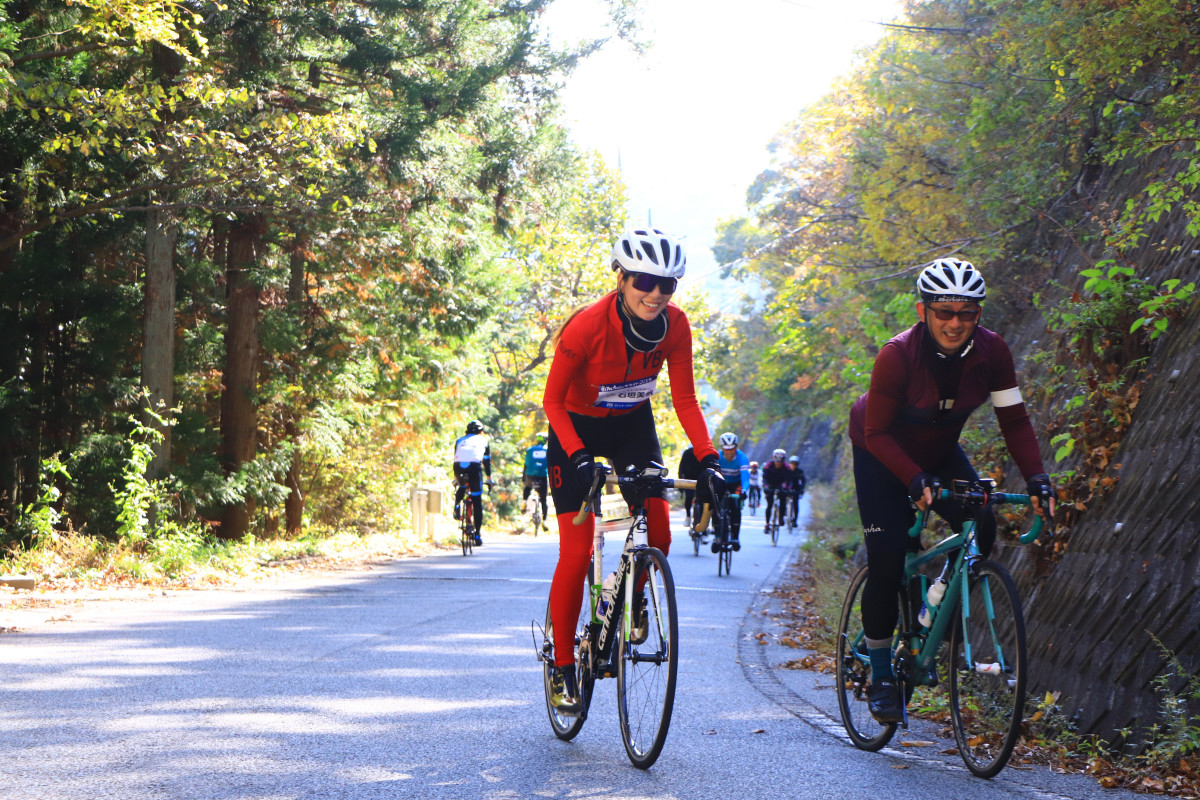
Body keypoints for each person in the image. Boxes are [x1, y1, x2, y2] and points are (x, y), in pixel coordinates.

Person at [848, 257, 1056, 724]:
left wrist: (1037, 477)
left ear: (978, 314)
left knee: (981, 525)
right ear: (923, 311)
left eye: (967, 312)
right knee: (885, 560)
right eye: (944, 311)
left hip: (939, 450)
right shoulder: (897, 354)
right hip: (881, 452)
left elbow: (1015, 419)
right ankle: (882, 676)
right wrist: (913, 478)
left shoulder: (993, 352)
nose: (955, 322)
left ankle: (931, 612)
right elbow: (879, 434)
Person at [542, 226, 725, 713]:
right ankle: (563, 667)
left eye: (668, 285)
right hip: (574, 429)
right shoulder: (585, 327)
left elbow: (684, 399)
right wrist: (579, 457)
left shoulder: (677, 326)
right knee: (577, 553)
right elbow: (552, 402)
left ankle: (635, 596)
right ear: (620, 277)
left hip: (631, 426)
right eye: (645, 281)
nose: (656, 294)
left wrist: (707, 457)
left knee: (660, 534)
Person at [452, 420, 493, 546]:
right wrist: (489, 478)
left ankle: (457, 506)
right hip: (474, 467)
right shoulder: (484, 440)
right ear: (481, 432)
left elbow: (457, 456)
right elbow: (486, 462)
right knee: (476, 501)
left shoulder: (459, 440)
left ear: (467, 431)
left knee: (463, 485)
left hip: (458, 466)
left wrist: (456, 478)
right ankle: (477, 534)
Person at [713, 432, 750, 552]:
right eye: (726, 449)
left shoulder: (742, 458)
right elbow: (713, 477)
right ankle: (717, 537)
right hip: (722, 483)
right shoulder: (717, 457)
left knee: (735, 506)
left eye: (732, 448)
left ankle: (735, 537)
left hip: (736, 484)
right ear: (722, 448)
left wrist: (744, 491)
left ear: (736, 447)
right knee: (715, 505)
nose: (729, 452)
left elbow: (745, 478)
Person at [523, 432, 550, 531]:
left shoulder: (530, 450)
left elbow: (526, 465)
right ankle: (545, 520)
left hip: (530, 476)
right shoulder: (547, 450)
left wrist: (524, 478)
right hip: (542, 477)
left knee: (527, 487)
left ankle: (524, 502)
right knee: (543, 500)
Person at [761, 448, 790, 531]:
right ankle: (767, 524)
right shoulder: (768, 465)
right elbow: (764, 477)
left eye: (781, 460)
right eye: (777, 460)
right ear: (773, 458)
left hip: (780, 484)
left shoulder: (786, 467)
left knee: (783, 500)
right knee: (769, 504)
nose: (778, 462)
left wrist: (787, 488)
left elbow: (788, 479)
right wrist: (766, 486)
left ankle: (781, 518)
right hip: (770, 484)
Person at [677, 445, 700, 527]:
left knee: (703, 500)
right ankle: (688, 516)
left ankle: (703, 522)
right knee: (688, 498)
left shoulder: (704, 453)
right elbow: (681, 468)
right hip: (688, 480)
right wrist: (680, 483)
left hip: (701, 480)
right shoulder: (687, 453)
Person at [786, 455, 806, 528]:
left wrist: (801, 490)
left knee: (795, 504)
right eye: (792, 463)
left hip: (796, 489)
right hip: (787, 488)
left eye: (795, 464)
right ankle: (784, 514)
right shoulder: (786, 470)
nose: (794, 465)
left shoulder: (799, 471)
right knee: (783, 500)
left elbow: (803, 481)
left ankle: (794, 521)